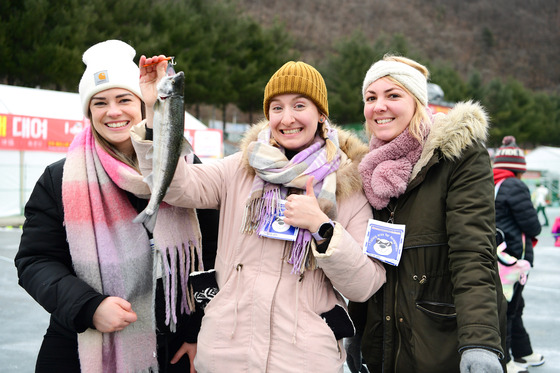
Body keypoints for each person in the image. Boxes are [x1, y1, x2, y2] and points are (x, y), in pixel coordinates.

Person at [130, 58, 386, 372]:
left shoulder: (349, 185)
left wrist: (323, 228)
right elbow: (177, 187)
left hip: (303, 360)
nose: (287, 118)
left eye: (300, 105)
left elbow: (364, 285)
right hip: (227, 355)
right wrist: (158, 111)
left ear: (321, 114)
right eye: (276, 107)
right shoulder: (239, 168)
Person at [14, 40, 219, 373]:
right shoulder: (60, 179)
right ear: (88, 111)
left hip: (174, 347)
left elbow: (211, 254)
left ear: (142, 104)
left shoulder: (182, 167)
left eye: (124, 99)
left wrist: (198, 333)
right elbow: (36, 260)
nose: (113, 111)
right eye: (100, 102)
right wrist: (89, 307)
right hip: (82, 346)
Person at [346, 54, 507, 373]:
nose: (379, 106)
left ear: (418, 102)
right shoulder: (369, 169)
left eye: (393, 95)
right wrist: (354, 333)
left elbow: (473, 254)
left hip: (441, 343)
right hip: (382, 346)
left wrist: (480, 343)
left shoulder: (458, 157)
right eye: (371, 97)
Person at [493, 136, 544, 373]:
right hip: (514, 258)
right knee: (508, 310)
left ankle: (524, 352)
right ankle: (506, 360)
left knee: (513, 304)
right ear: (517, 168)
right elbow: (533, 225)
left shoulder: (488, 182)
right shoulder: (514, 185)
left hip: (495, 253)